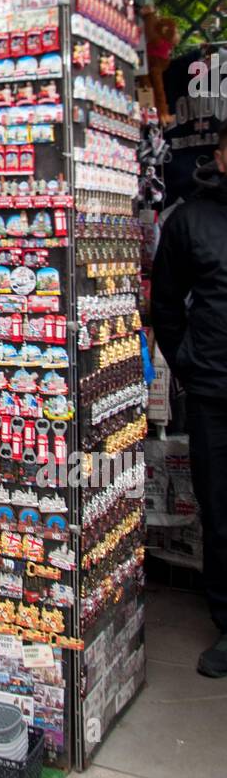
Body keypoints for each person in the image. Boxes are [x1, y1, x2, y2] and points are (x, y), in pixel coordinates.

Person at [152, 117, 227, 676]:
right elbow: (167, 305)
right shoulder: (191, 220)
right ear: (221, 156)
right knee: (220, 510)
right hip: (214, 393)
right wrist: (188, 364)